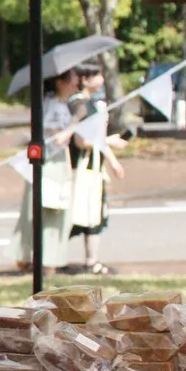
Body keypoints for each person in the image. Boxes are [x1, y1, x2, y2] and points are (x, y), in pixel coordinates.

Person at [7, 68, 80, 273]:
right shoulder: (52, 106)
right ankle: (44, 262)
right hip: (48, 165)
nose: (78, 82)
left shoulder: (62, 105)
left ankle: (47, 260)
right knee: (48, 214)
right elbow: (57, 138)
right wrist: (77, 121)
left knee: (55, 213)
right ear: (60, 81)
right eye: (74, 77)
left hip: (57, 164)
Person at [68, 62, 126, 275]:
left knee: (94, 214)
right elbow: (81, 141)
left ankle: (92, 260)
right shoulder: (77, 104)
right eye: (96, 75)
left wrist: (112, 161)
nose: (101, 79)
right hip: (80, 167)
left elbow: (96, 138)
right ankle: (49, 260)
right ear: (84, 79)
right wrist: (109, 141)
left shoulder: (93, 104)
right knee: (75, 214)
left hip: (94, 166)